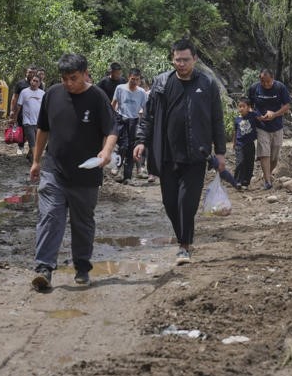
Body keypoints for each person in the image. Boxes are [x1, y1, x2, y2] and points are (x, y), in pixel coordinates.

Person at [30, 53, 117, 291]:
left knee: (82, 222)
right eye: (65, 78)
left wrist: (106, 152)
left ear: (85, 73)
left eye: (74, 78)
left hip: (86, 175)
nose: (69, 83)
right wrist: (36, 161)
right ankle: (44, 269)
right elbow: (43, 129)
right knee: (50, 218)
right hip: (54, 171)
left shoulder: (97, 97)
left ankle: (81, 267)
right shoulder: (53, 94)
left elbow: (111, 129)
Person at [134, 39, 226, 265]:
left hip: (196, 155)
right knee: (170, 203)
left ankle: (184, 246)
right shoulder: (162, 83)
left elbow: (217, 120)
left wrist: (221, 152)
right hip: (166, 154)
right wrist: (141, 141)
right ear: (172, 59)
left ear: (195, 59)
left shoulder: (207, 84)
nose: (182, 64)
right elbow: (149, 116)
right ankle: (183, 239)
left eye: (186, 59)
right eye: (178, 60)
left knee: (187, 202)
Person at [247, 68, 291, 190]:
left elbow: (287, 105)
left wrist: (275, 114)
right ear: (259, 79)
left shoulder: (280, 87)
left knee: (275, 157)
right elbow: (249, 106)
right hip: (261, 126)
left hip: (277, 126)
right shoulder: (254, 88)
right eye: (263, 81)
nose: (265, 84)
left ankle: (268, 173)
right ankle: (267, 181)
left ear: (273, 79)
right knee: (264, 153)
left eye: (268, 82)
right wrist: (256, 115)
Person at [111, 68, 147, 184]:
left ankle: (127, 177)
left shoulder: (141, 92)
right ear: (128, 78)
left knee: (131, 147)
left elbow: (146, 108)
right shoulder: (120, 88)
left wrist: (144, 122)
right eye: (132, 79)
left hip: (134, 121)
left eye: (137, 79)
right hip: (121, 119)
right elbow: (114, 103)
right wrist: (112, 118)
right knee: (122, 145)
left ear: (139, 80)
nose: (134, 81)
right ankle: (117, 166)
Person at [13, 75, 45, 161]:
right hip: (27, 122)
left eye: (36, 81)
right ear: (30, 81)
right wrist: (14, 119)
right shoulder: (24, 92)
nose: (34, 83)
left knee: (38, 142)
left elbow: (45, 108)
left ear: (39, 83)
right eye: (33, 80)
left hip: (38, 122)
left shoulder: (42, 93)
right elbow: (19, 106)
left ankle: (29, 155)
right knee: (32, 141)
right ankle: (36, 161)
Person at [233, 97, 260, 189]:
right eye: (239, 106)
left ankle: (246, 181)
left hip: (250, 144)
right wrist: (234, 143)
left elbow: (258, 115)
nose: (241, 108)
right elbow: (235, 132)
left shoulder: (252, 115)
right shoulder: (237, 119)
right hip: (240, 145)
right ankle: (237, 181)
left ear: (248, 107)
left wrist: (251, 110)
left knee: (249, 163)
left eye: (243, 106)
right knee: (240, 162)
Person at [9, 67, 36, 155]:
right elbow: (14, 97)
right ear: (26, 73)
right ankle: (20, 146)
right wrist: (12, 110)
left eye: (32, 73)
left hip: (34, 111)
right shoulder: (20, 84)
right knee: (23, 129)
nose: (31, 74)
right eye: (29, 72)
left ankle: (31, 150)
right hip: (21, 110)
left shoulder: (37, 84)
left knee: (33, 130)